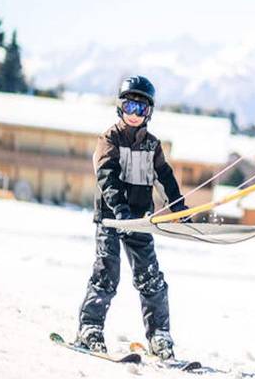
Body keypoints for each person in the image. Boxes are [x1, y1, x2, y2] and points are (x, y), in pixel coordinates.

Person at [75, 75, 189, 359]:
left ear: (148, 112)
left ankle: (160, 336)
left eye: (140, 109)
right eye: (129, 107)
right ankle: (90, 328)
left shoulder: (152, 145)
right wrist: (119, 209)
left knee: (150, 278)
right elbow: (106, 176)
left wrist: (179, 207)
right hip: (112, 220)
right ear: (120, 108)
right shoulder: (109, 139)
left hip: (139, 221)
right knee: (106, 273)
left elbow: (165, 178)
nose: (134, 114)